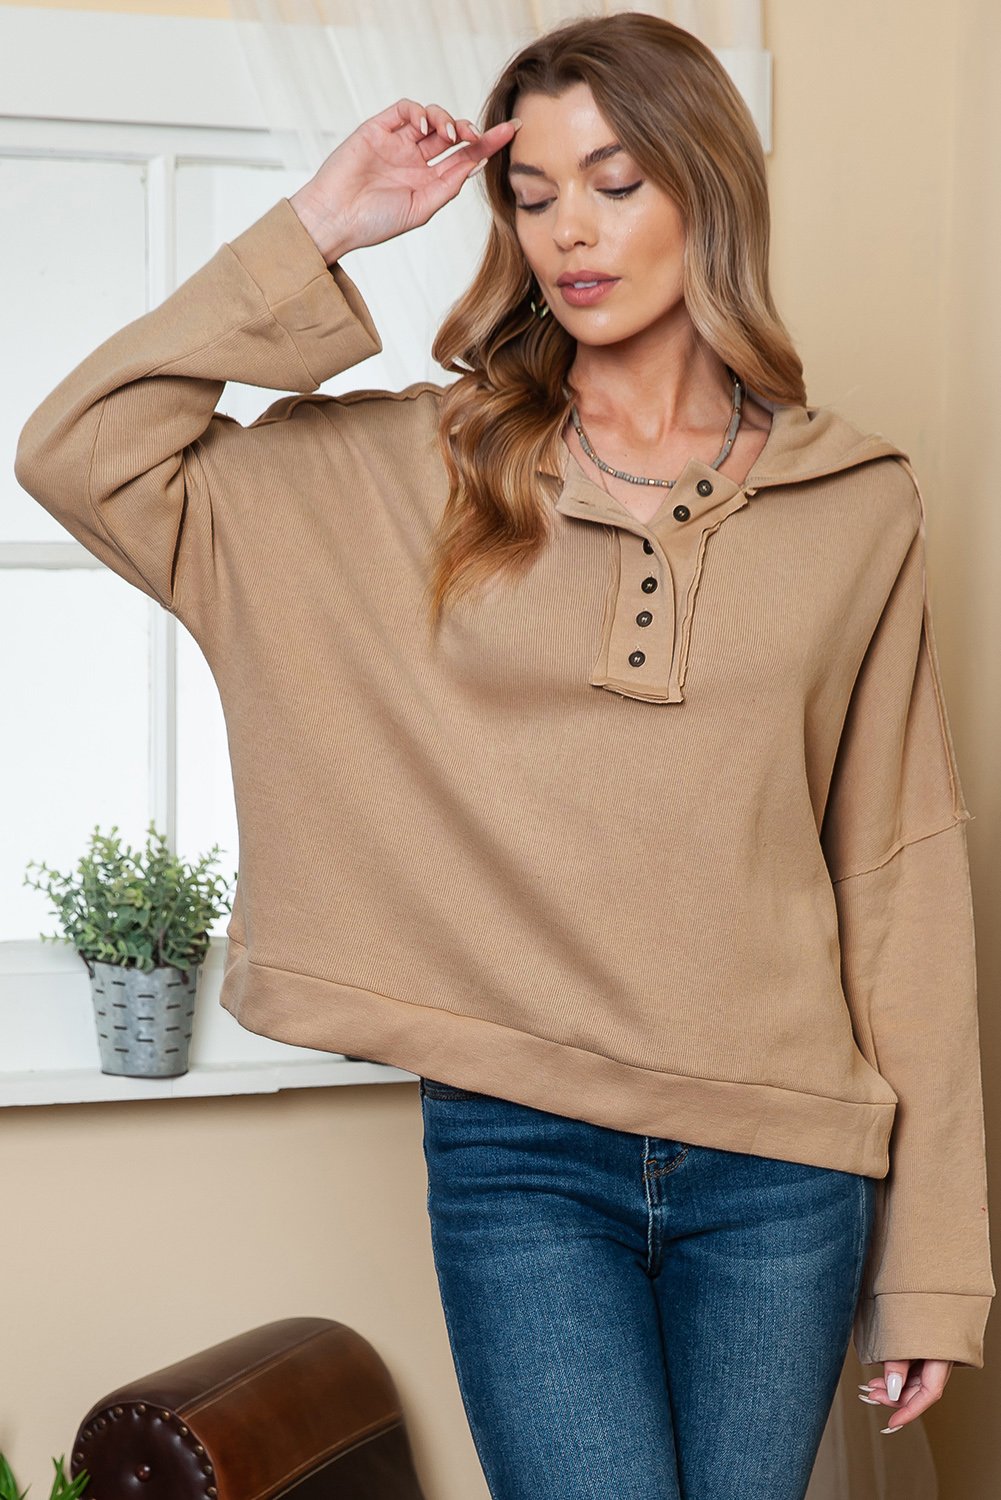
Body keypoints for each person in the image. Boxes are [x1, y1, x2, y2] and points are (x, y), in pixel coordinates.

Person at [14, 13, 993, 1500]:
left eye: (614, 182)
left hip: (784, 1164)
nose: (567, 231)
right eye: (531, 195)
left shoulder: (855, 499)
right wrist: (319, 224)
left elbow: (898, 871)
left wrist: (931, 1268)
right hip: (522, 1155)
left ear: (707, 190)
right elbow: (80, 453)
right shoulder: (422, 465)